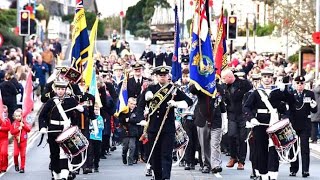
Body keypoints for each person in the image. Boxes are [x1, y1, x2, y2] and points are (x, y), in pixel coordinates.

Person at [137, 66, 193, 180]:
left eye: (165, 75)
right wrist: (141, 120)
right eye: (160, 75)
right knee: (155, 155)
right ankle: (157, 176)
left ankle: (166, 177)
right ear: (156, 77)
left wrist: (176, 103)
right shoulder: (150, 89)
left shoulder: (173, 89)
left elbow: (189, 101)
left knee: (166, 154)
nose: (162, 77)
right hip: (153, 127)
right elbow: (140, 106)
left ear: (168, 76)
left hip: (167, 127)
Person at [243, 68, 292, 180]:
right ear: (262, 78)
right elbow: (246, 107)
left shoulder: (277, 92)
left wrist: (285, 118)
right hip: (260, 123)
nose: (267, 79)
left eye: (269, 77)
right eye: (265, 77)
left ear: (272, 79)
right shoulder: (256, 92)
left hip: (274, 123)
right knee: (261, 149)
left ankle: (273, 172)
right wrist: (251, 118)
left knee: (274, 149)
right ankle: (263, 173)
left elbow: (286, 107)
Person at [38, 80, 82, 180]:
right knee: (54, 154)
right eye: (58, 89)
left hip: (65, 130)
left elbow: (77, 116)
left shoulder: (71, 101)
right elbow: (42, 116)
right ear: (55, 89)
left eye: (62, 89)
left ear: (66, 90)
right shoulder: (50, 102)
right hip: (53, 130)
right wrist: (43, 127)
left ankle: (64, 175)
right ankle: (56, 174)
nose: (60, 91)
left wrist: (81, 110)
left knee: (65, 153)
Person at [221, 69, 252, 170]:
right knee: (231, 136)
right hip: (231, 114)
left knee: (242, 138)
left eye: (224, 78)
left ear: (230, 77)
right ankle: (233, 157)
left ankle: (241, 161)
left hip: (243, 114)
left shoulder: (243, 83)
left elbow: (250, 91)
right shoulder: (224, 87)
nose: (222, 80)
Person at [289, 76, 317, 178]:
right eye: (298, 83)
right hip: (293, 124)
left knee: (305, 148)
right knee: (293, 148)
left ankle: (305, 170)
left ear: (304, 84)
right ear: (294, 84)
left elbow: (314, 111)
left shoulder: (309, 94)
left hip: (305, 124)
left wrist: (314, 106)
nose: (300, 85)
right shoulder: (291, 94)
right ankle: (293, 169)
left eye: (301, 83)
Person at [118, 97, 140, 165]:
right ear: (128, 103)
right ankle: (124, 155)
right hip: (125, 131)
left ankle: (130, 160)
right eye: (131, 103)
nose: (132, 105)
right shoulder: (124, 111)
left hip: (133, 131)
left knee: (132, 146)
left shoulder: (137, 111)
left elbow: (138, 120)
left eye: (134, 104)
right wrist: (125, 119)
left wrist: (129, 120)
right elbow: (121, 120)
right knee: (125, 146)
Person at [10, 108, 31, 173]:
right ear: (14, 117)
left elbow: (28, 130)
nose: (18, 117)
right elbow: (12, 132)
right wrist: (18, 129)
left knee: (23, 155)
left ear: (21, 116)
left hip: (23, 141)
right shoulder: (14, 124)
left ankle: (22, 167)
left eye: (19, 116)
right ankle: (16, 164)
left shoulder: (24, 122)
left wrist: (24, 126)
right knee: (15, 154)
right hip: (17, 141)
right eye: (16, 116)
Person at [88, 104, 104, 172]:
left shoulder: (100, 118)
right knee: (90, 152)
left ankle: (96, 165)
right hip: (91, 137)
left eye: (97, 109)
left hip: (98, 137)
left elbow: (101, 127)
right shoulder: (90, 117)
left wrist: (95, 127)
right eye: (94, 109)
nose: (95, 111)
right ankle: (90, 165)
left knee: (97, 152)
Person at [0, 106, 11, 173]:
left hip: (4, 139)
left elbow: (9, 128)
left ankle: (4, 166)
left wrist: (1, 128)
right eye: (3, 112)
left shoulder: (7, 120)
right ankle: (0, 167)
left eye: (5, 112)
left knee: (4, 153)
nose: (4, 114)